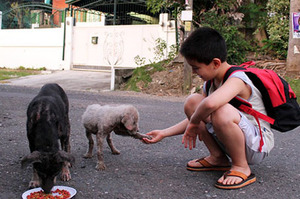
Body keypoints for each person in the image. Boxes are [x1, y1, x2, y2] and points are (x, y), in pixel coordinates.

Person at [142, 27, 274, 189]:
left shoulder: (237, 79)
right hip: (236, 139)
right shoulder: (210, 84)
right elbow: (198, 113)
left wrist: (194, 123)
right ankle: (218, 158)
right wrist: (164, 133)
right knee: (193, 102)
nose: (194, 72)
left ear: (215, 63)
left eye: (196, 67)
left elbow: (210, 106)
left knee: (219, 109)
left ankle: (241, 166)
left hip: (257, 146)